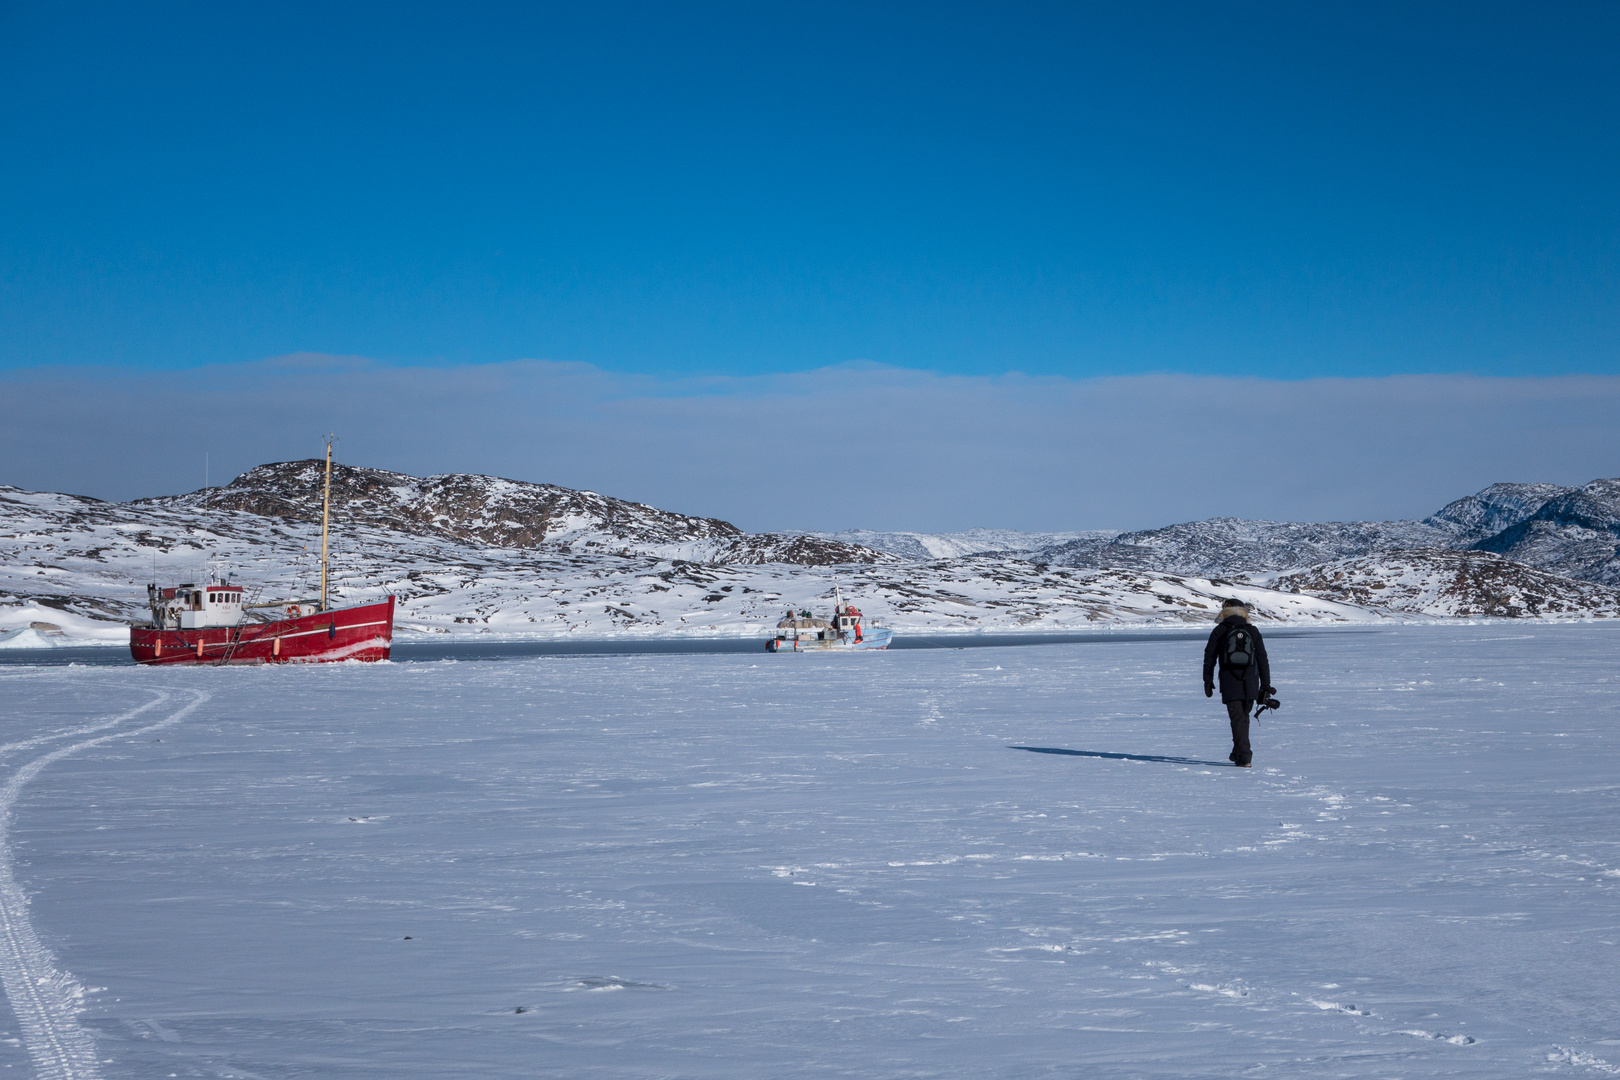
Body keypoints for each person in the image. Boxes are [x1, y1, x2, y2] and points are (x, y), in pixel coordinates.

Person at [1203, 599, 1272, 768]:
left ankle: (1245, 757)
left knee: (1237, 719)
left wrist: (1208, 680)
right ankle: (1238, 752)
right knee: (1242, 718)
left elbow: (1209, 657)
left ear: (1225, 610)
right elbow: (1262, 659)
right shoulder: (1252, 631)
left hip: (1229, 680)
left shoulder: (1220, 630)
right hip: (1250, 682)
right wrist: (1265, 685)